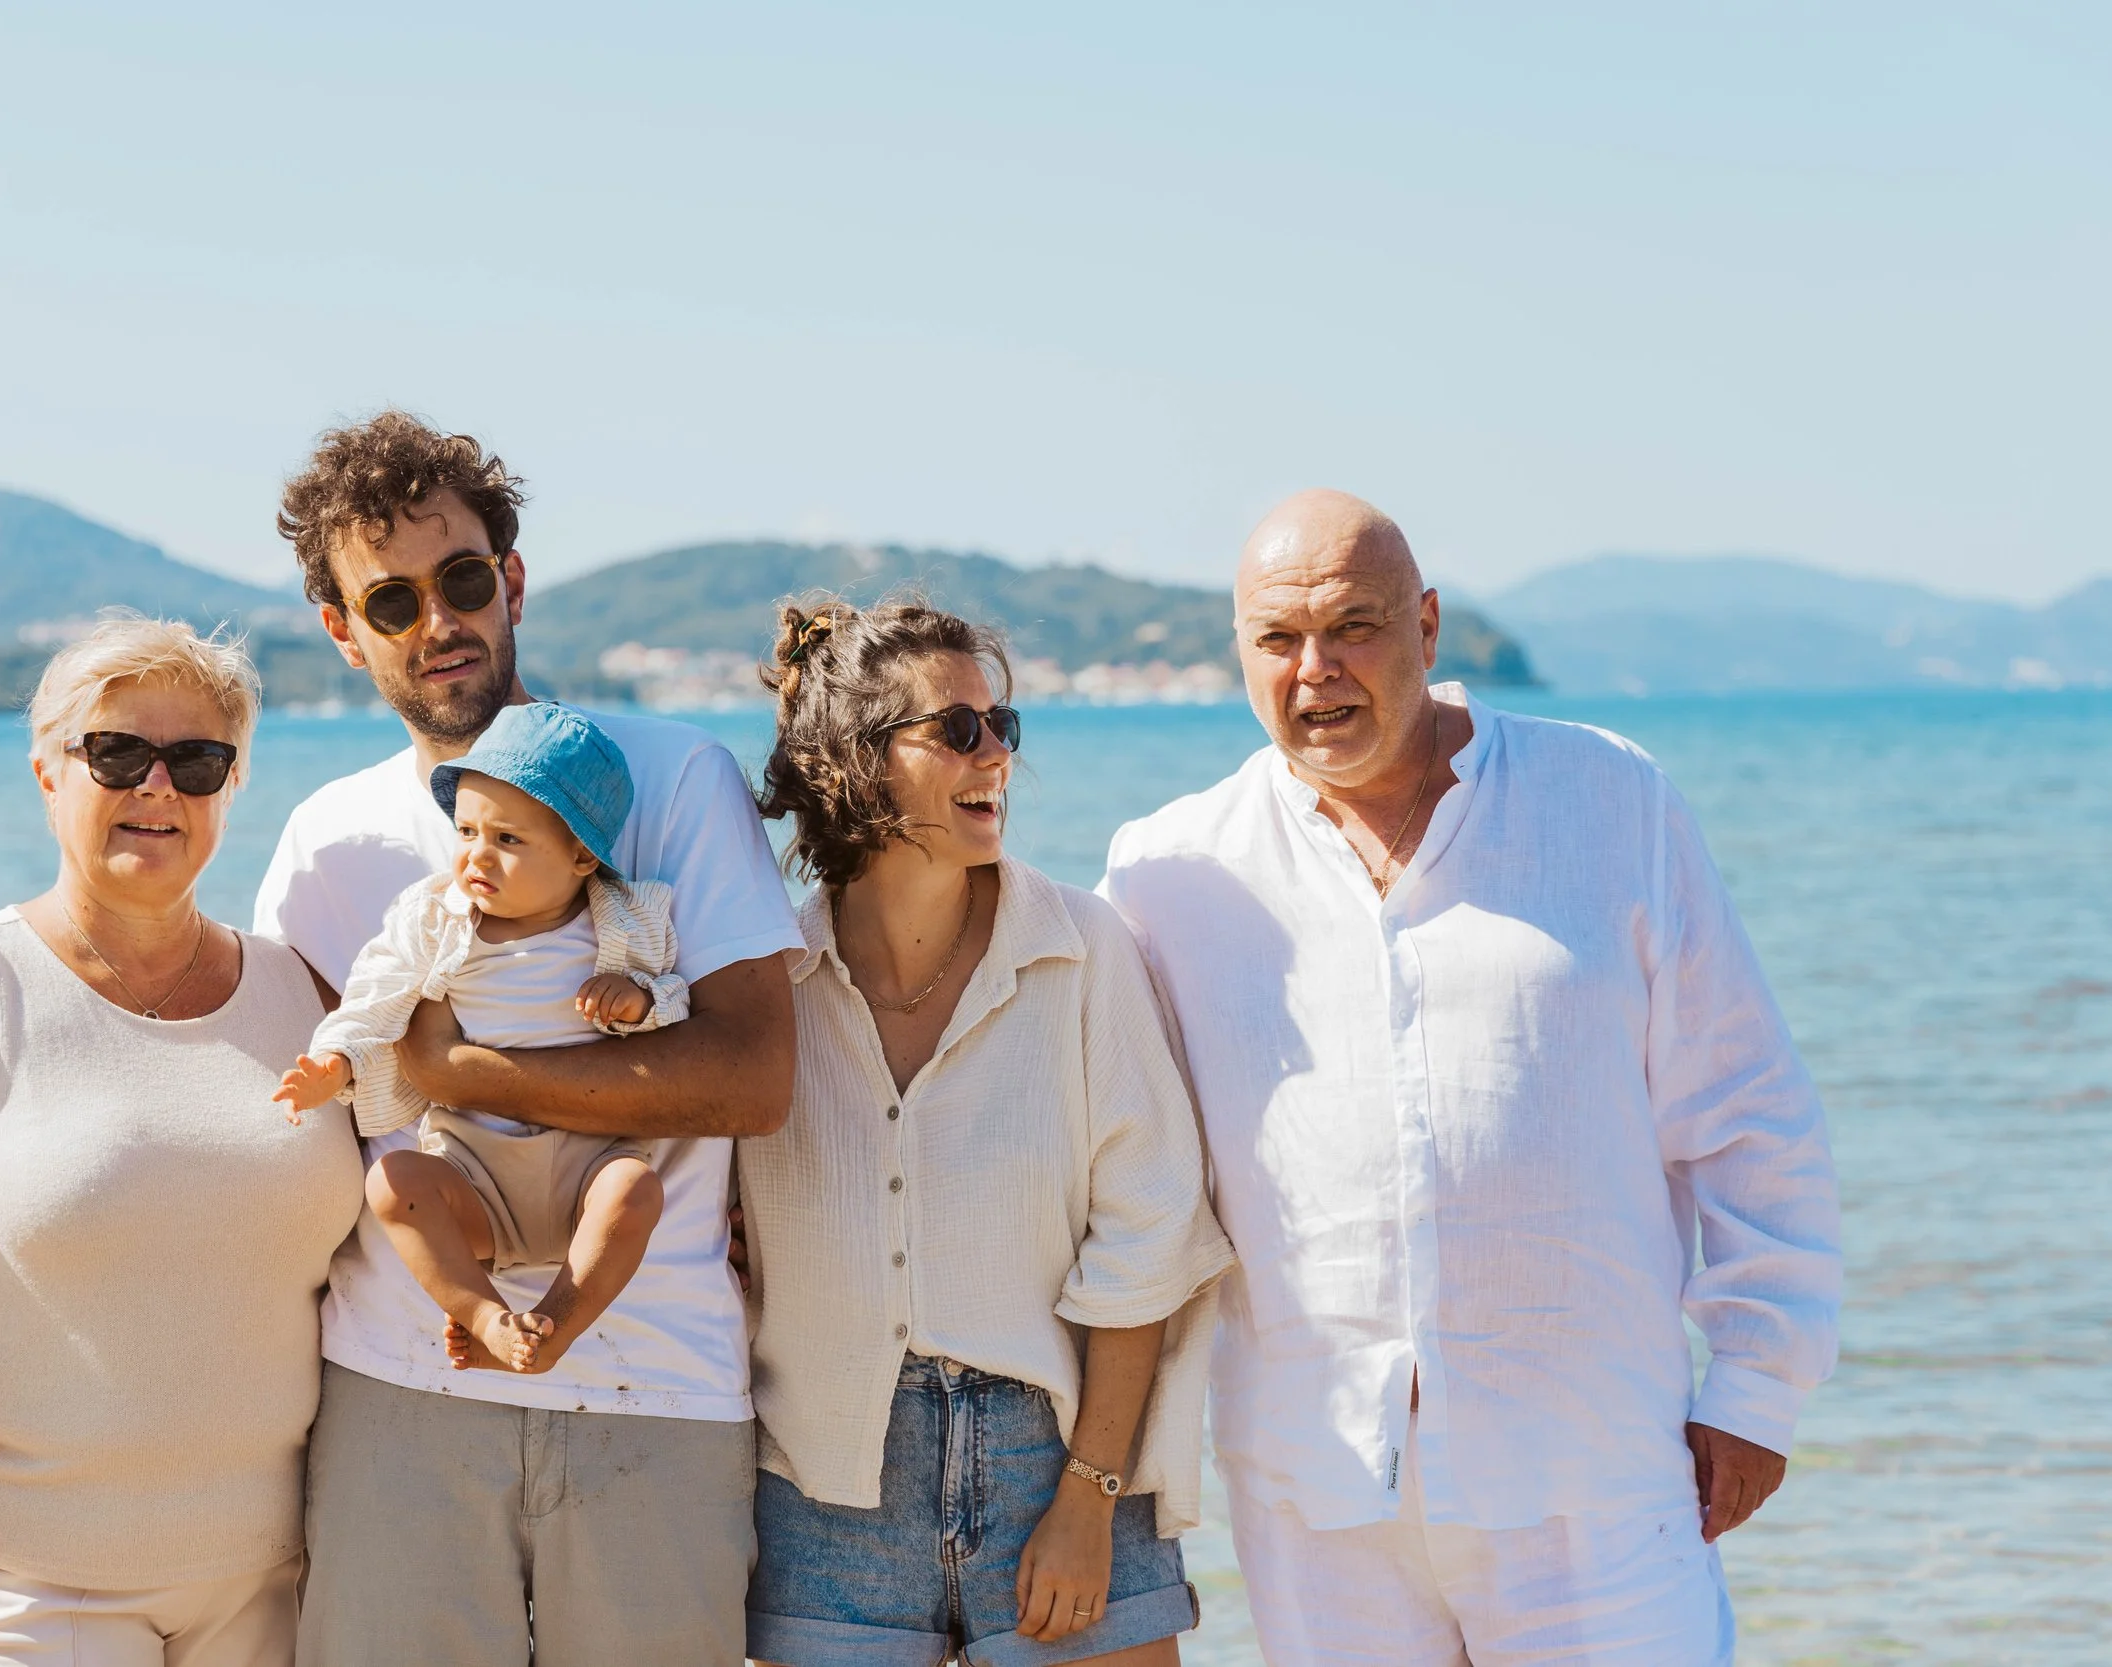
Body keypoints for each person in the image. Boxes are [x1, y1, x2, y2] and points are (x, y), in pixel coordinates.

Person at [1099, 490, 1843, 1664]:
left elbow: (1746, 1109)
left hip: (1590, 1471)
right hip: (1317, 1488)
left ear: (1429, 626)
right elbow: (1092, 1131)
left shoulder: (1610, 798)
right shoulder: (1167, 869)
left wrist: (1756, 1387)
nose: (1316, 669)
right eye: (1277, 639)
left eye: (1354, 626)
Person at [253, 411, 805, 1667]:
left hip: (654, 1389)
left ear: (508, 580)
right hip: (397, 1390)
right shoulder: (324, 843)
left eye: (458, 580)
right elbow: (276, 1111)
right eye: (388, 601)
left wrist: (456, 1071)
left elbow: (756, 1076)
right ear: (343, 633)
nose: (435, 621)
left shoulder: (669, 777)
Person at [0, 616, 365, 1667]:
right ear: (48, 772)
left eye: (197, 761)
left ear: (231, 789)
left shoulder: (308, 997)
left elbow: (414, 1210)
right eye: (117, 752)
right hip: (21, 1596)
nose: (158, 787)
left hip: (275, 1592)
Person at [737, 599, 1236, 1667]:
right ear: (856, 764)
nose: (995, 754)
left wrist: (1090, 1497)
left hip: (1053, 1457)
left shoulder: (1080, 949)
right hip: (824, 1482)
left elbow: (1149, 1235)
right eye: (956, 729)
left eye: (1001, 725)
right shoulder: (766, 979)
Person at [275, 701, 685, 1375]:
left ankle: (556, 1321)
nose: (476, 855)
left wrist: (642, 1002)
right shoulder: (435, 916)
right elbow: (377, 993)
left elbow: (679, 1005)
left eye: (508, 840)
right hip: (473, 1166)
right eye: (466, 830)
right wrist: (335, 1058)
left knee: (635, 1191)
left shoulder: (628, 921)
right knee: (394, 1184)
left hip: (590, 1160)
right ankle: (488, 1316)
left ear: (582, 853)